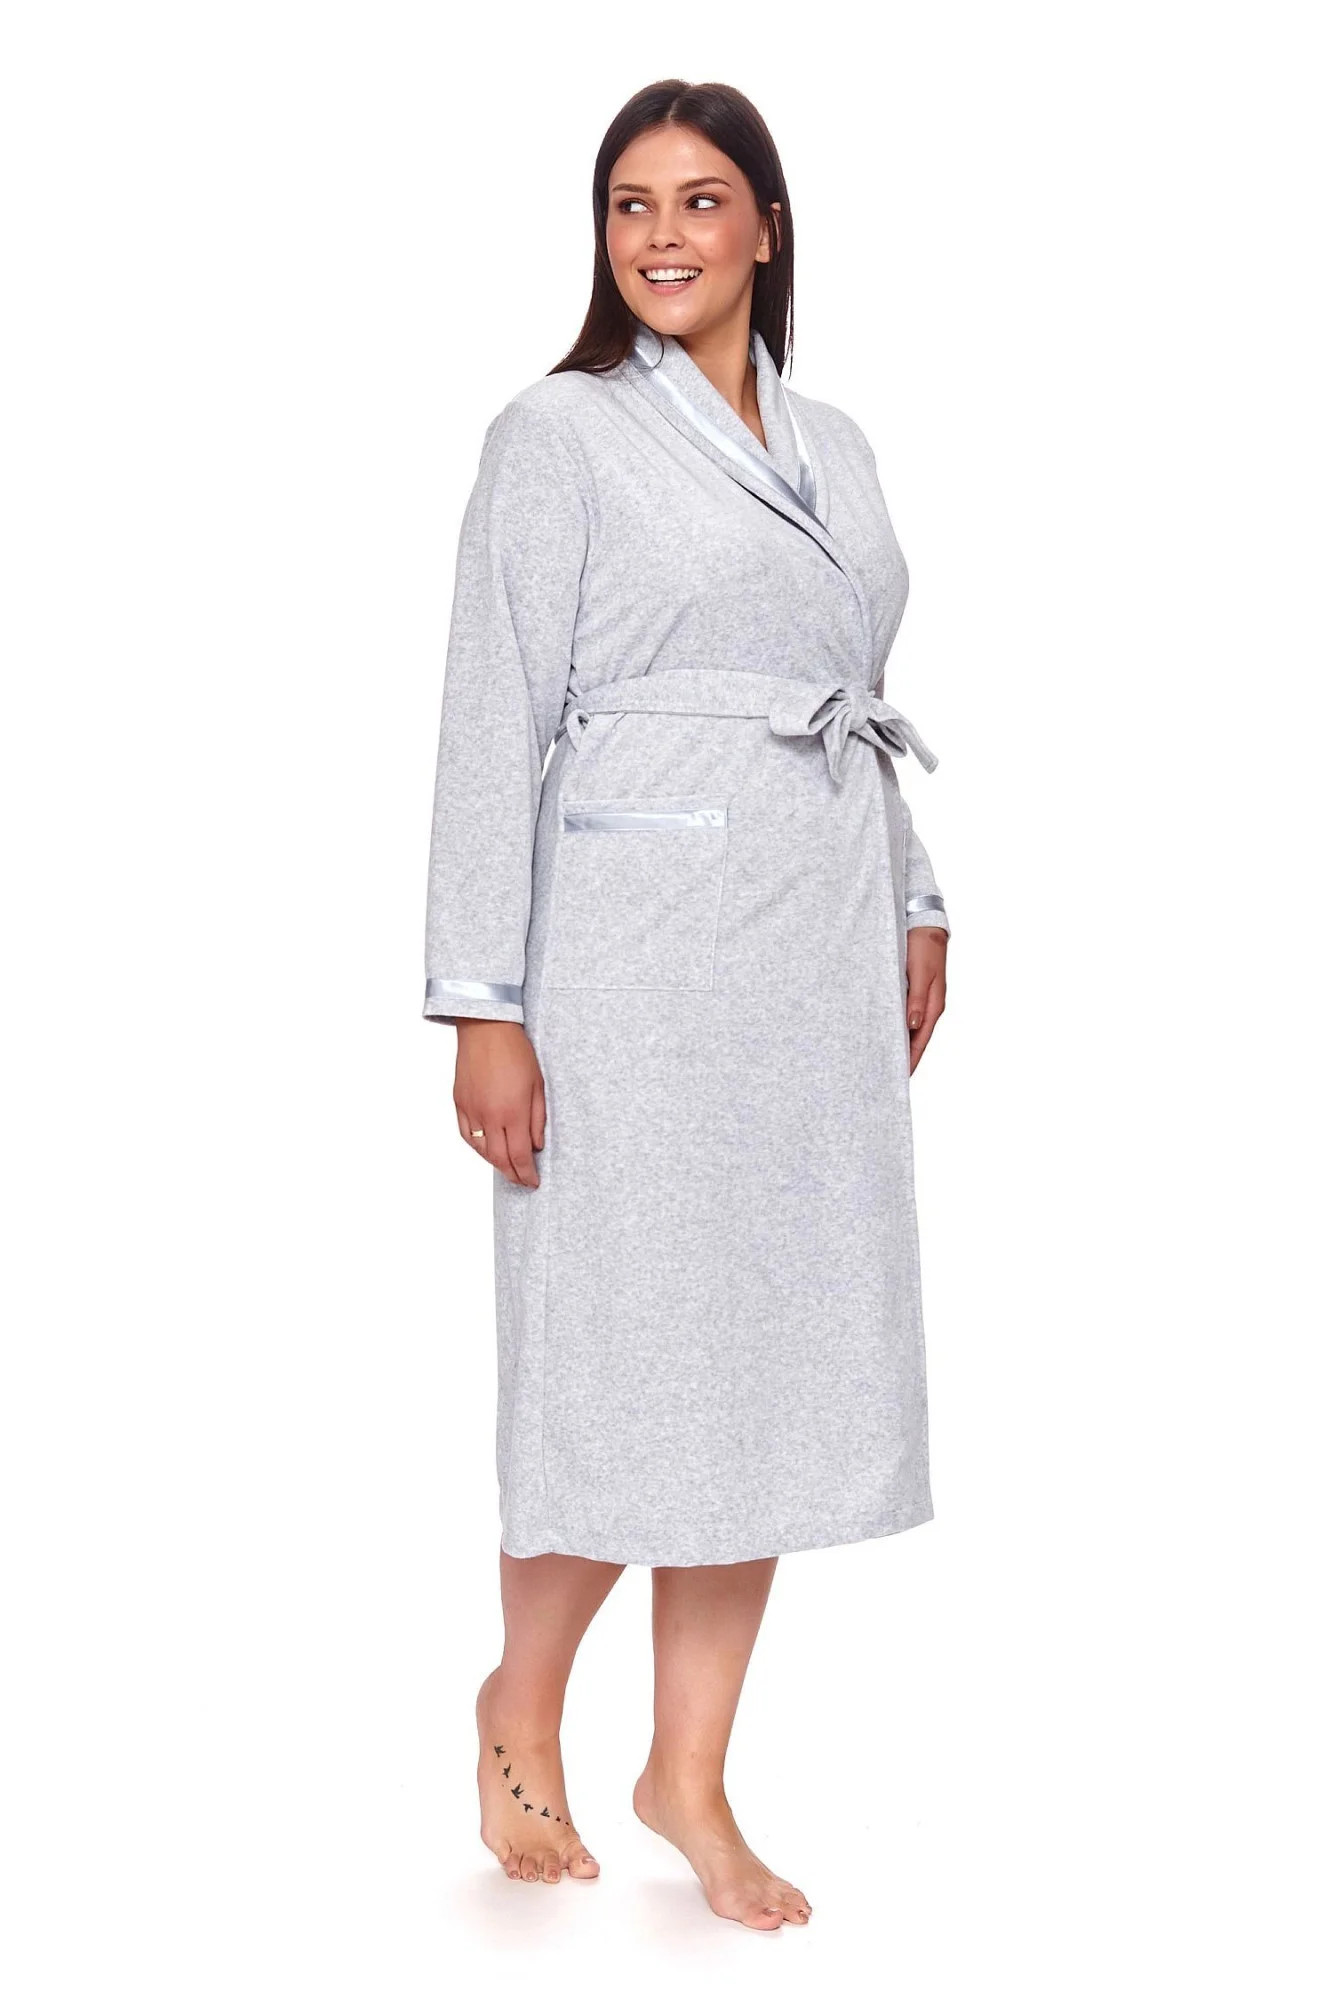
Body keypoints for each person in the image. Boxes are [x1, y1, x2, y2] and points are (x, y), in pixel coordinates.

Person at [423, 79, 951, 1930]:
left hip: (807, 949)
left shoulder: (837, 444)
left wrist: (913, 894)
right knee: (619, 1348)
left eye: (700, 199)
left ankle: (690, 1776)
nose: (661, 234)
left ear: (764, 228)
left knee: (767, 1361)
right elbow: (490, 711)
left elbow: (848, 686)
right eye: (630, 203)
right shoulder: (555, 435)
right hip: (629, 957)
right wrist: (484, 1001)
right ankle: (520, 1699)